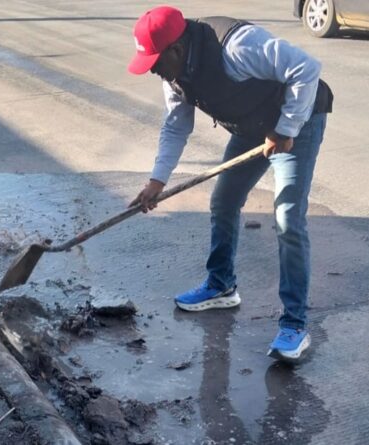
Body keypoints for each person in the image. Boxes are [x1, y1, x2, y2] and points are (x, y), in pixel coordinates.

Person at [127, 6, 332, 362]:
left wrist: (285, 129)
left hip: (298, 120)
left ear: (176, 48)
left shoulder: (237, 46)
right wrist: (157, 182)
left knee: (288, 219)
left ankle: (295, 325)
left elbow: (306, 68)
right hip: (252, 126)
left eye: (157, 63)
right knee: (223, 201)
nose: (154, 72)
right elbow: (176, 126)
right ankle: (221, 285)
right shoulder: (174, 75)